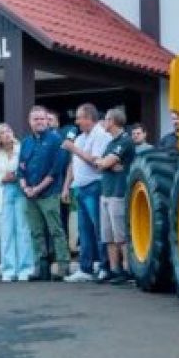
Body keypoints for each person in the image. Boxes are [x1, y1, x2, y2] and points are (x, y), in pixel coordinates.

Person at [18, 106, 70, 279]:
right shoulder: (26, 142)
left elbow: (56, 170)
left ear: (47, 120)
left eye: (42, 119)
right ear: (30, 122)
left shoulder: (56, 140)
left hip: (49, 193)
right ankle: (41, 268)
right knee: (36, 232)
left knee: (56, 230)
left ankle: (63, 266)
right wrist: (26, 187)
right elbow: (21, 169)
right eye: (35, 119)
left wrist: (37, 188)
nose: (39, 122)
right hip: (30, 195)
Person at [60, 103, 109, 281]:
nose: (77, 121)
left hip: (95, 186)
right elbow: (73, 164)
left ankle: (105, 267)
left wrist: (73, 148)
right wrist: (66, 186)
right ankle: (85, 268)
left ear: (89, 118)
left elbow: (96, 162)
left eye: (79, 117)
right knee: (84, 230)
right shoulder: (80, 138)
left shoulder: (101, 136)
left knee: (99, 228)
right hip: (79, 188)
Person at [95, 105, 137, 284]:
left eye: (105, 119)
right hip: (106, 192)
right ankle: (114, 269)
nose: (103, 122)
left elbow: (104, 163)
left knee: (121, 235)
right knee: (108, 236)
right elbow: (101, 162)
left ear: (112, 121)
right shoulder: (111, 142)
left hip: (118, 193)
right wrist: (104, 162)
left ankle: (128, 270)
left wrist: (105, 163)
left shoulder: (125, 141)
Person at [0, 122, 35, 281]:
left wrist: (18, 177)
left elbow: (27, 170)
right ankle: (8, 270)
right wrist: (3, 178)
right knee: (6, 233)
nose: (7, 134)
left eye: (9, 131)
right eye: (3, 132)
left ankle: (26, 268)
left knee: (23, 231)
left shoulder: (21, 149)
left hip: (20, 191)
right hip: (3, 192)